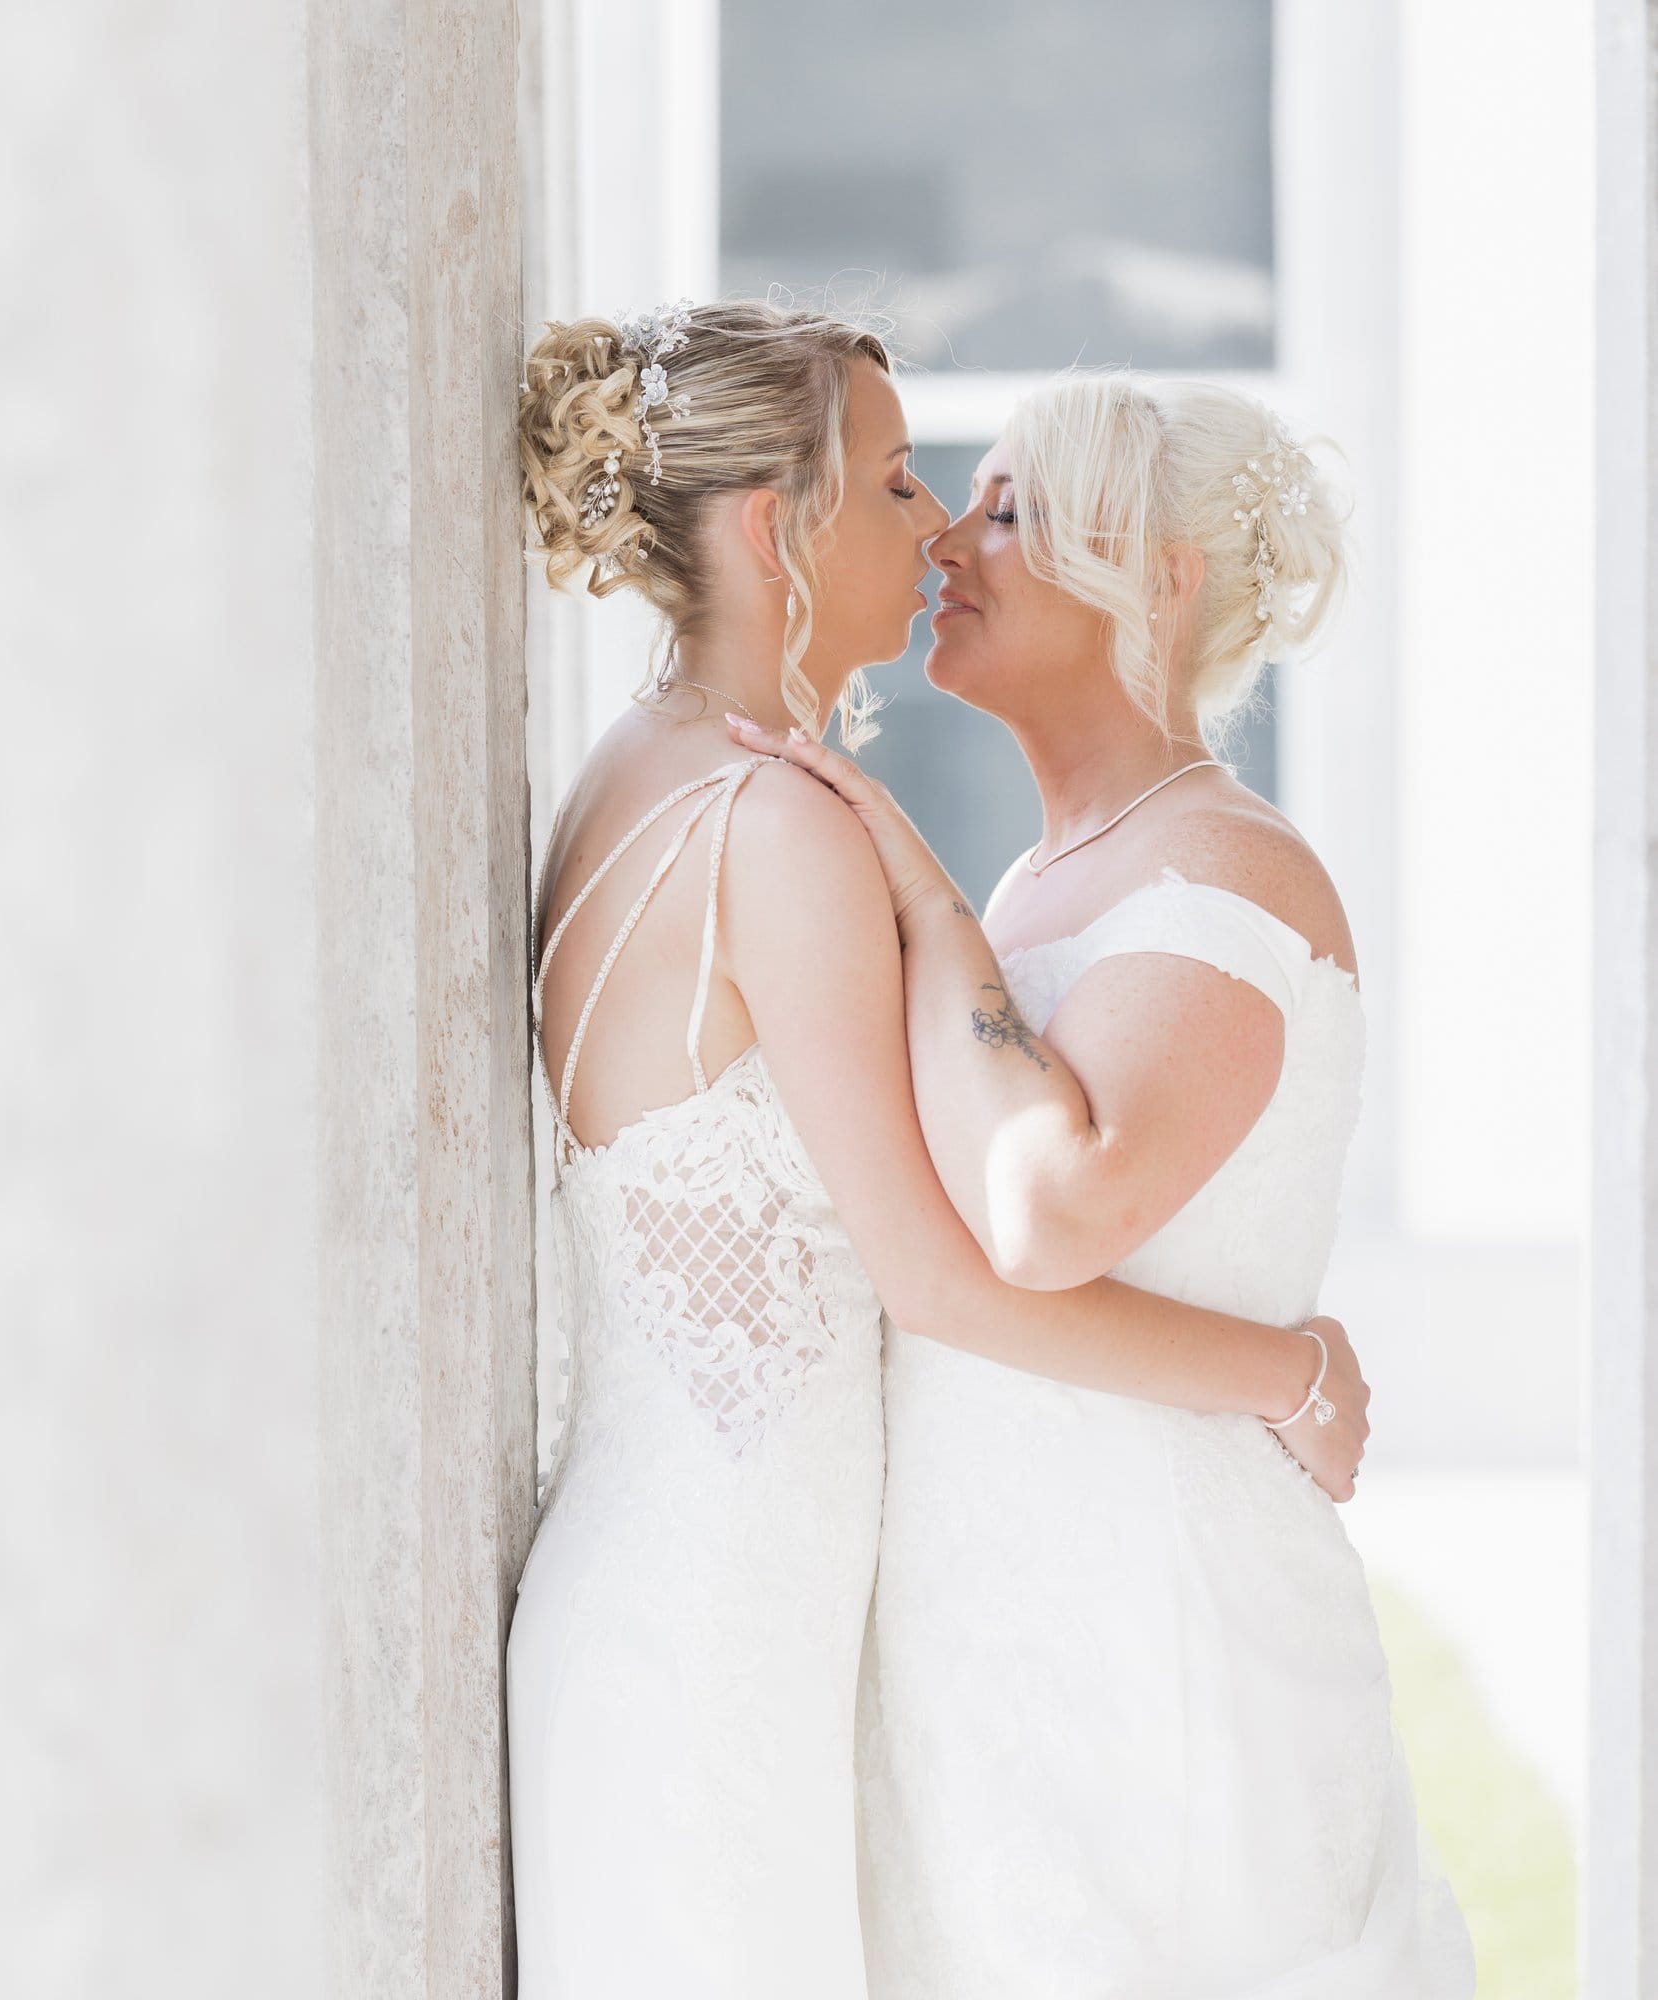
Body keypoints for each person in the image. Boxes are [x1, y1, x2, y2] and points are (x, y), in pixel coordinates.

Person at [506, 301, 1370, 1998]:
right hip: (734, 1613)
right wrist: (1287, 1370)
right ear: (777, 528)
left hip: (678, 1582)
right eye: (902, 484)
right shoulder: (779, 819)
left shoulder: (640, 767)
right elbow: (943, 1275)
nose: (934, 528)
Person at [731, 371, 1474, 1995]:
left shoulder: (1230, 868)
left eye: (1014, 511)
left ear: (1165, 579)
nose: (953, 542)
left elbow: (1049, 1211)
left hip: (1166, 1632)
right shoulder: (1050, 873)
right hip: (1004, 1617)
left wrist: (927, 907)